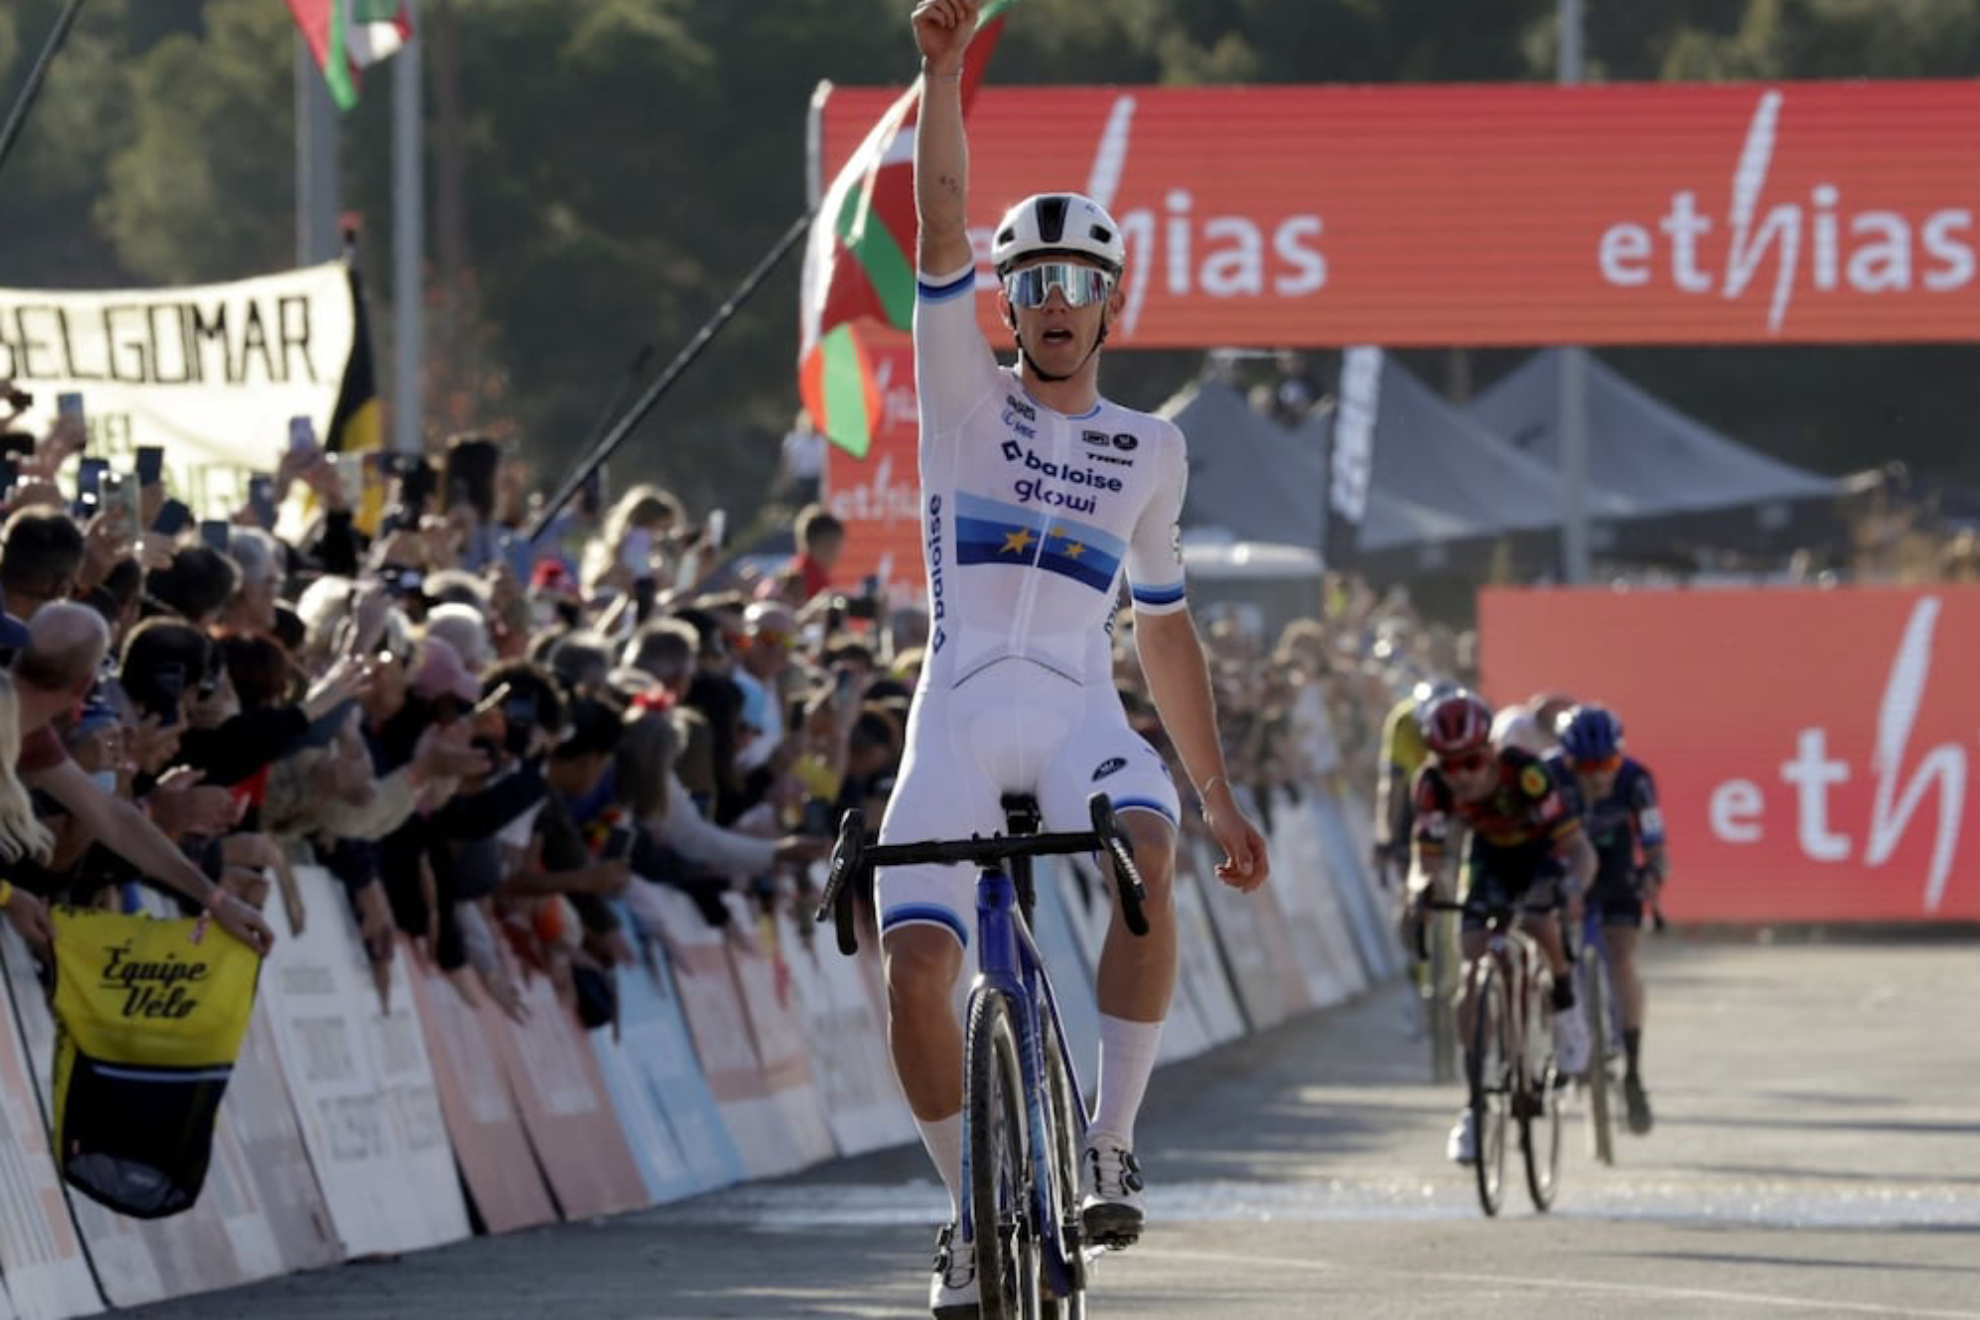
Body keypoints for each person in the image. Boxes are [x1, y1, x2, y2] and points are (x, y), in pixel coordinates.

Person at [899, 4, 1270, 1313]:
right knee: (914, 973)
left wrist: (1217, 791)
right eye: (1034, 285)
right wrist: (939, 75)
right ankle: (961, 1216)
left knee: (1151, 850)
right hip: (951, 717)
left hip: (1076, 720)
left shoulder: (1153, 450)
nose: (1056, 305)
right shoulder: (960, 390)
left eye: (1079, 285)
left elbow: (1160, 623)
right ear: (1008, 303)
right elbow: (942, 221)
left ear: (1115, 301)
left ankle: (1111, 1138)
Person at [1407, 689, 1595, 1166]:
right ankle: (1474, 1108)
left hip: (1541, 856)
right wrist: (1420, 891)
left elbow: (1577, 849)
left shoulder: (1527, 774)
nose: (1462, 775)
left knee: (1537, 920)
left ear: (1489, 753)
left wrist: (1572, 887)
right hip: (1488, 859)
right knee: (1472, 976)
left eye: (1471, 762)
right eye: (1451, 765)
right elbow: (1425, 860)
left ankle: (1567, 1010)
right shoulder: (1433, 785)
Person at [1547, 703, 1667, 1135]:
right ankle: (1561, 1040)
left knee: (1621, 956)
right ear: (1566, 760)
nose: (1599, 776)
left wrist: (1654, 874)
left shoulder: (1636, 779)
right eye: (1587, 765)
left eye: (1607, 763)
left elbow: (1653, 841)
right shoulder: (1546, 778)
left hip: (1615, 865)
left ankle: (1633, 1072)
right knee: (1551, 950)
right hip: (1563, 862)